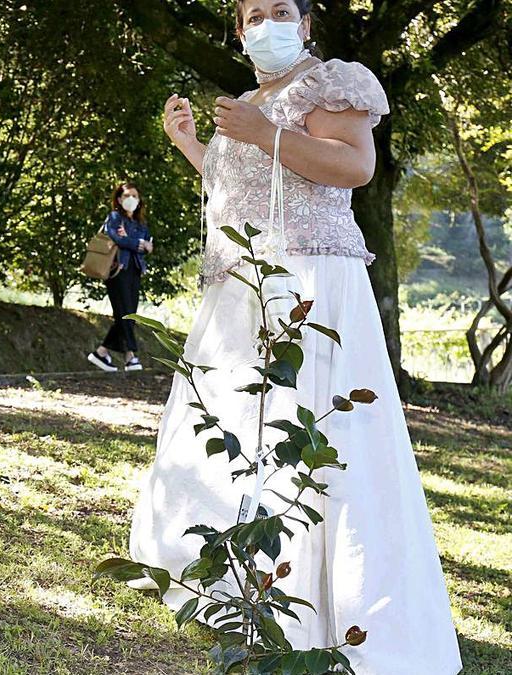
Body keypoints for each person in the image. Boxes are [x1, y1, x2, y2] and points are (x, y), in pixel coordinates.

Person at [130, 1, 461, 672]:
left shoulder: (332, 81)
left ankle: (331, 603)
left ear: (306, 24)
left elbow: (352, 167)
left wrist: (258, 133)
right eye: (253, 13)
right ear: (240, 29)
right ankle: (237, 586)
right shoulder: (251, 99)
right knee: (239, 427)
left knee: (313, 431)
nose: (265, 22)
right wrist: (195, 148)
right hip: (244, 284)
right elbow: (248, 190)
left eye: (280, 9)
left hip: (311, 280)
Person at [87, 183, 153, 373]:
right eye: (127, 195)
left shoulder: (140, 223)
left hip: (135, 270)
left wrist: (134, 242)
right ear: (119, 199)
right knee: (124, 313)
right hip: (117, 270)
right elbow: (117, 238)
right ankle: (131, 355)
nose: (131, 199)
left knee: (128, 315)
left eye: (135, 195)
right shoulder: (115, 217)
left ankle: (101, 352)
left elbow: (148, 245)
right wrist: (137, 243)